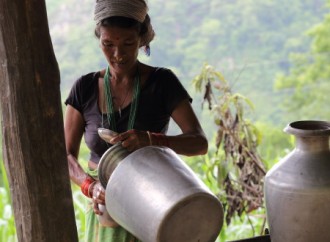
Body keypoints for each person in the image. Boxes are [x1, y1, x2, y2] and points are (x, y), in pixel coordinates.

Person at [64, 0, 208, 241]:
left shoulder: (162, 83)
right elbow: (65, 155)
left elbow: (199, 143)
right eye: (108, 44)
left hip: (151, 203)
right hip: (103, 207)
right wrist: (90, 186)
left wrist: (153, 139)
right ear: (98, 39)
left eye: (128, 44)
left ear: (141, 39)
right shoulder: (85, 88)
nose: (118, 55)